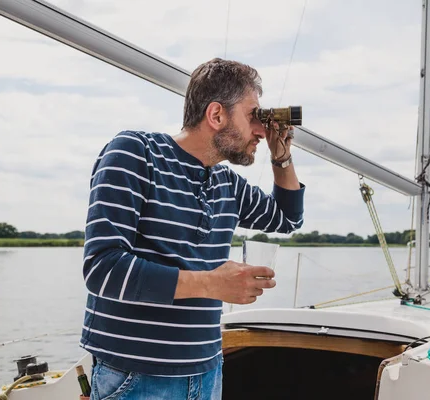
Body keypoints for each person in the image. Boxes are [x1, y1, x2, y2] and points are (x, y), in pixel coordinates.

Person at [80, 57, 305, 400]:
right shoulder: (136, 153)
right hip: (136, 376)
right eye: (252, 116)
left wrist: (282, 157)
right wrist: (213, 283)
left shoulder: (227, 184)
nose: (261, 130)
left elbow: (288, 219)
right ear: (216, 115)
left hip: (207, 371)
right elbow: (103, 268)